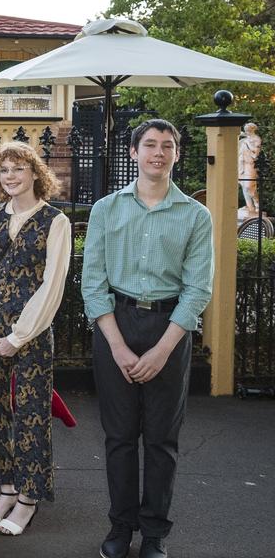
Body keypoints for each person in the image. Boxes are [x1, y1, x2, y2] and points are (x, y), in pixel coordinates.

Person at [83, 119, 212, 558]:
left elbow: (198, 289)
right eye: (150, 144)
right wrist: (117, 345)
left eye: (168, 146)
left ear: (177, 154)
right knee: (119, 437)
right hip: (114, 325)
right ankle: (121, 528)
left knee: (161, 439)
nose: (159, 152)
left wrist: (162, 349)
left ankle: (153, 535)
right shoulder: (106, 209)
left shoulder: (196, 215)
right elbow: (92, 283)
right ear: (134, 152)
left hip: (168, 329)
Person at [0, 142, 71, 536]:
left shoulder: (54, 221)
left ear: (34, 173)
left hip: (32, 331)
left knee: (31, 414)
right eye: (4, 170)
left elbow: (52, 285)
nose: (11, 176)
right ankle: (6, 489)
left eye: (18, 169)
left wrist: (18, 336)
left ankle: (29, 499)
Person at [239, 122, 261, 219]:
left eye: (247, 129)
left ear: (252, 130)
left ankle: (257, 204)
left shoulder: (256, 139)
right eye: (245, 129)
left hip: (250, 165)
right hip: (241, 164)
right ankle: (250, 207)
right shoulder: (243, 140)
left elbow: (255, 153)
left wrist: (247, 142)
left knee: (249, 186)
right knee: (244, 185)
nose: (246, 131)